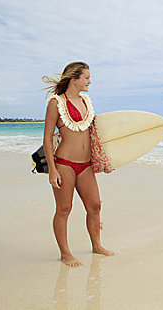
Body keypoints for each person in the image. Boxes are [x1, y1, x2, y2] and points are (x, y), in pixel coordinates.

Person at [42, 62, 114, 267]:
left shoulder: (86, 101)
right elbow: (47, 139)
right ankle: (65, 253)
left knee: (95, 205)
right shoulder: (56, 103)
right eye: (86, 78)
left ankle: (97, 245)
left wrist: (105, 161)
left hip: (86, 165)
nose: (90, 82)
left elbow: (95, 134)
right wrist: (52, 170)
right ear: (74, 79)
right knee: (64, 208)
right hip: (64, 163)